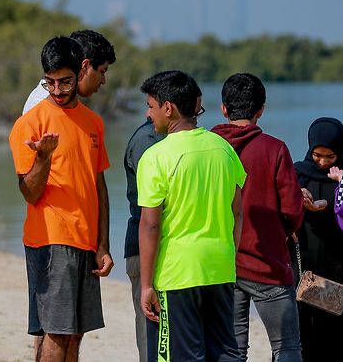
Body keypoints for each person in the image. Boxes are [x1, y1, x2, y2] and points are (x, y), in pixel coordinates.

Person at [8, 36, 113, 361]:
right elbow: (29, 192)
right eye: (50, 82)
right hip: (50, 241)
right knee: (55, 333)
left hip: (85, 242)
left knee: (75, 334)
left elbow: (99, 186)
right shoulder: (31, 123)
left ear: (78, 72)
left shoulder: (93, 122)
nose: (58, 89)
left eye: (65, 81)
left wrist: (103, 245)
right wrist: (44, 158)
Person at [137, 70, 245, 362]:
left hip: (178, 273)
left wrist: (146, 285)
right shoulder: (223, 149)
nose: (149, 114)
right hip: (220, 267)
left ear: (168, 107)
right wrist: (229, 253)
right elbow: (238, 211)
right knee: (224, 352)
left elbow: (150, 225)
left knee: (182, 356)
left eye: (151, 105)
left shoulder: (156, 157)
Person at [212, 73, 303, 362]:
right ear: (261, 109)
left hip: (222, 264)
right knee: (286, 347)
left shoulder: (210, 146)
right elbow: (291, 209)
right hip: (268, 264)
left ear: (224, 108)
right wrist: (285, 231)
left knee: (232, 350)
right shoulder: (275, 149)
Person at [293, 117, 343, 362]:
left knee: (334, 330)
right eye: (317, 155)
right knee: (303, 329)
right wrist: (297, 199)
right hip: (304, 266)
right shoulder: (297, 173)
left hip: (337, 264)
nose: (322, 163)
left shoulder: (342, 177)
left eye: (330, 157)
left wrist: (329, 204)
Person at [123, 118, 163, 362]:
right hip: (145, 246)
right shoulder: (148, 139)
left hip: (161, 247)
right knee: (152, 334)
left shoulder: (162, 137)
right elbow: (150, 209)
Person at [22, 29, 116, 115]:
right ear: (85, 66)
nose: (103, 81)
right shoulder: (42, 105)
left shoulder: (67, 103)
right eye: (102, 71)